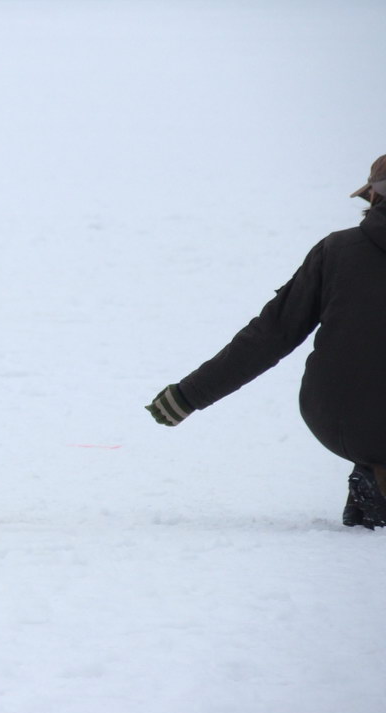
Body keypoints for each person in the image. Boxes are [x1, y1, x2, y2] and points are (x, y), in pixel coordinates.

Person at [146, 154, 386, 529]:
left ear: (374, 197)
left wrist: (187, 396)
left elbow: (271, 334)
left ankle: (371, 478)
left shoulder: (337, 250)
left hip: (332, 415)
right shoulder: (337, 251)